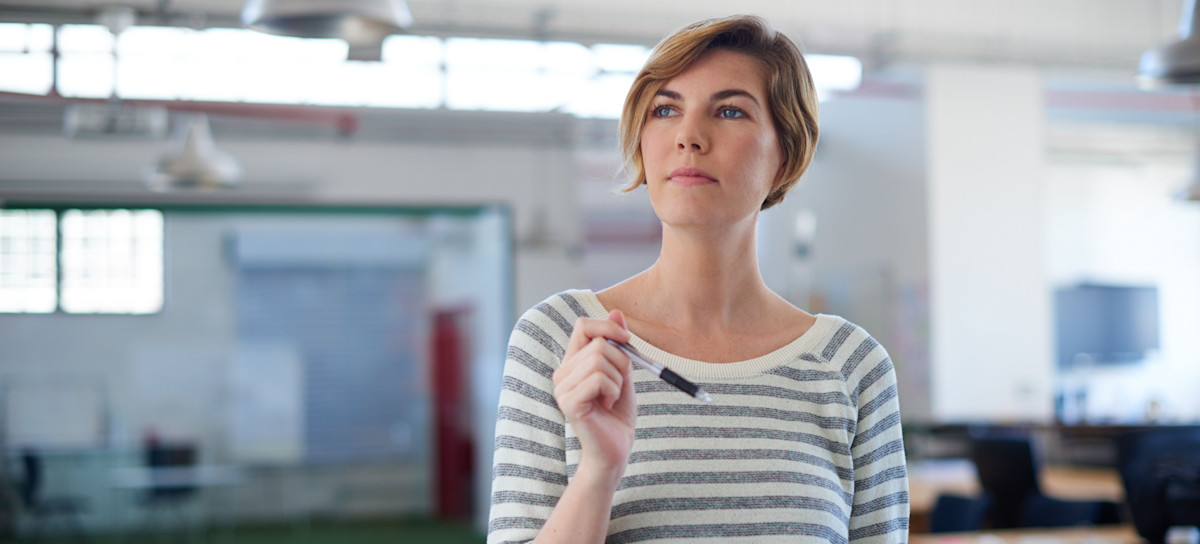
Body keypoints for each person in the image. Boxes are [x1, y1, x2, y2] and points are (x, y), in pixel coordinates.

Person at [489, 14, 908, 544]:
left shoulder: (853, 366)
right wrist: (598, 470)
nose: (688, 135)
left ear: (785, 154)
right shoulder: (558, 340)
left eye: (729, 111)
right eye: (665, 110)